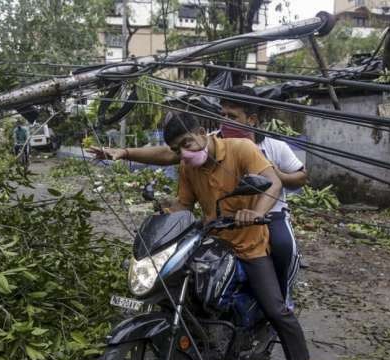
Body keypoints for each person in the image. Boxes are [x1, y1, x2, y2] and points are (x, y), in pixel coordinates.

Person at [146, 111, 328, 360]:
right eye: (177, 149)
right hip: (213, 244)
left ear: (202, 132)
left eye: (187, 144)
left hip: (249, 244)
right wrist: (165, 214)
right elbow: (184, 205)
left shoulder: (241, 149)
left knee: (276, 308)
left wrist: (256, 212)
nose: (184, 153)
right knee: (184, 294)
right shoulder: (188, 167)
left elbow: (273, 183)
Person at [88, 86, 306, 311]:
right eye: (222, 114)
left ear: (251, 119)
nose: (225, 120)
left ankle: (283, 296)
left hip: (266, 214)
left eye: (232, 116)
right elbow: (170, 155)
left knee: (281, 249)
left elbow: (294, 178)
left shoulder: (269, 146)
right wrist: (125, 153)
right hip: (220, 222)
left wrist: (272, 173)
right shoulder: (206, 144)